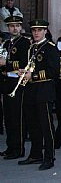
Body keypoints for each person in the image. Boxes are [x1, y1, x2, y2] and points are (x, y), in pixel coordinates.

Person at [19, 19, 59, 170]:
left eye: (39, 30)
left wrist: (33, 76)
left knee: (46, 125)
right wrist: (24, 73)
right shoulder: (31, 48)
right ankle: (35, 154)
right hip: (31, 91)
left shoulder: (50, 48)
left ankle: (49, 157)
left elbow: (54, 71)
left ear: (45, 31)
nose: (36, 33)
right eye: (34, 30)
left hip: (44, 90)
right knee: (33, 124)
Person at [0, 16, 29, 159]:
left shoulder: (24, 43)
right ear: (8, 27)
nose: (15, 28)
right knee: (9, 117)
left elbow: (24, 63)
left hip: (18, 82)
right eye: (12, 26)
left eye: (17, 25)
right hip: (7, 82)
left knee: (18, 117)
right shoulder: (6, 43)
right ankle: (10, 146)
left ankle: (19, 148)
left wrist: (6, 64)